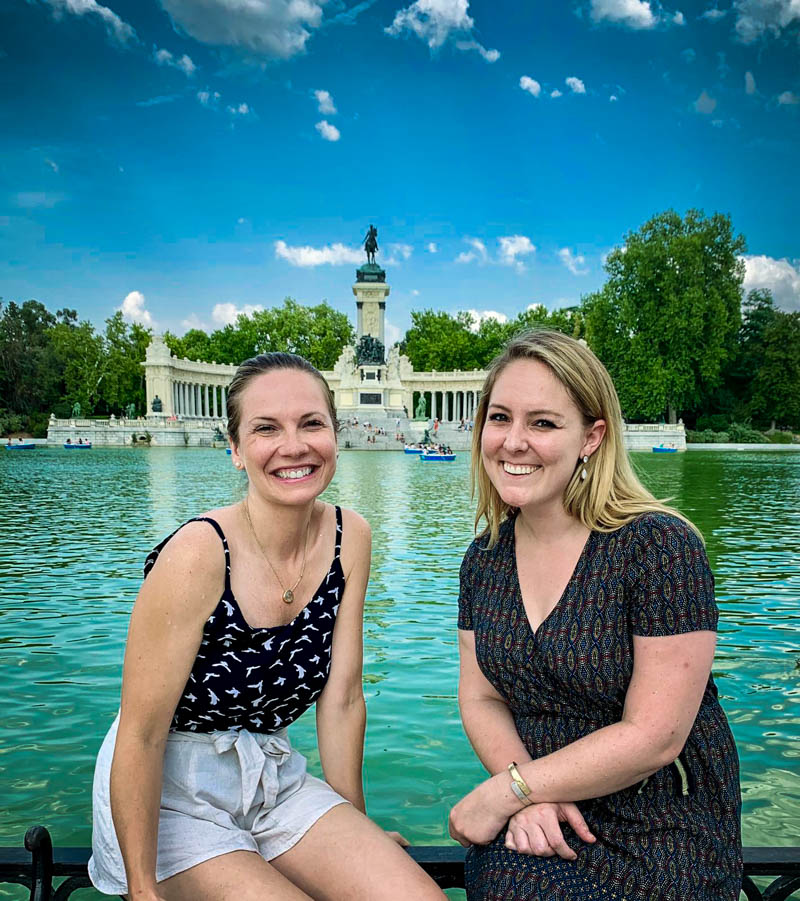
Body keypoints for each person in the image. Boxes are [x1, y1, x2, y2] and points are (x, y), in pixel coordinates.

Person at [89, 352, 445, 901]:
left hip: (270, 774)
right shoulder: (196, 553)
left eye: (311, 423)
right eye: (265, 429)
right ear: (234, 450)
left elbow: (344, 697)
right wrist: (142, 889)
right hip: (167, 792)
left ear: (335, 432)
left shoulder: (352, 536)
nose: (294, 445)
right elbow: (141, 734)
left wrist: (355, 824)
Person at [448, 330, 742, 901]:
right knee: (511, 884)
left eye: (543, 423)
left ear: (592, 436)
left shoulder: (659, 546)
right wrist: (528, 791)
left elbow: (655, 737)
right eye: (500, 417)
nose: (513, 442)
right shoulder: (483, 558)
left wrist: (508, 792)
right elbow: (480, 696)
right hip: (542, 810)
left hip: (661, 820)